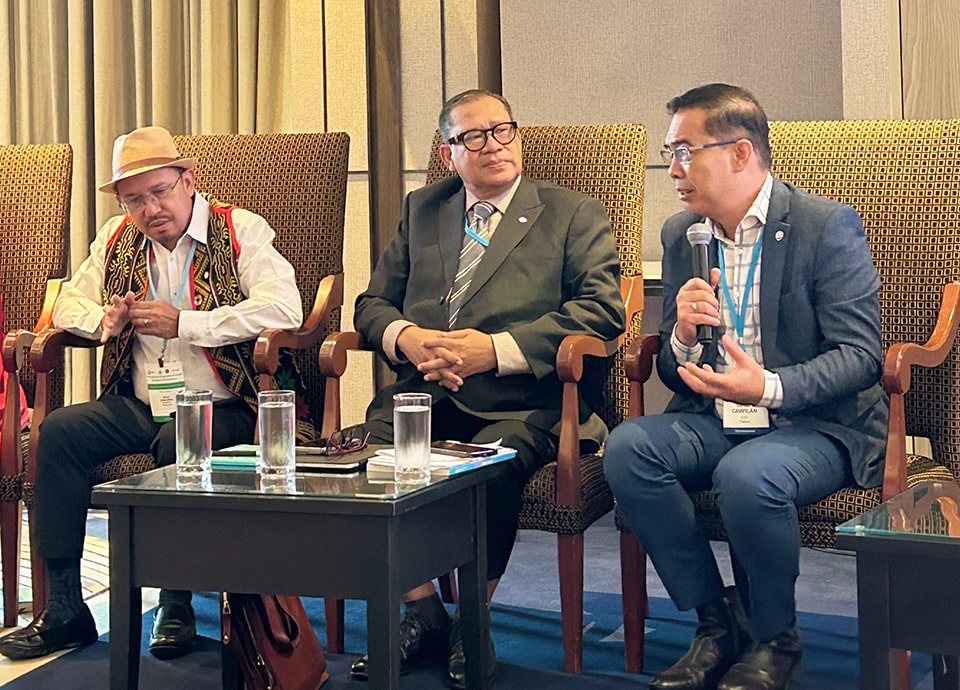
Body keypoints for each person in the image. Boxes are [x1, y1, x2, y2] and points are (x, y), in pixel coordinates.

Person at [602, 83, 888, 690]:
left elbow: (861, 357)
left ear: (739, 152)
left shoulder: (824, 225)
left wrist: (768, 386)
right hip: (715, 421)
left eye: (685, 150)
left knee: (747, 474)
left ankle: (774, 638)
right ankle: (715, 621)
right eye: (669, 151)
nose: (673, 168)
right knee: (628, 447)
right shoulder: (685, 234)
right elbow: (673, 373)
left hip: (814, 424)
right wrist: (679, 335)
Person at [348, 88, 625, 687]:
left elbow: (602, 314)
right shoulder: (424, 209)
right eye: (473, 137)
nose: (492, 145)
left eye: (503, 131)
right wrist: (405, 336)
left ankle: (473, 618)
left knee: (488, 471)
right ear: (451, 153)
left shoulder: (572, 213)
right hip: (423, 390)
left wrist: (491, 352)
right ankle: (420, 610)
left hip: (525, 402)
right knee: (364, 463)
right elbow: (370, 304)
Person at [0, 126, 302, 661]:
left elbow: (285, 310)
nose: (150, 208)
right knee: (59, 431)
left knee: (176, 444)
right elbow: (68, 304)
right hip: (141, 402)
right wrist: (103, 320)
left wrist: (188, 322)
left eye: (160, 191)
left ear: (188, 180)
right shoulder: (117, 237)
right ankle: (66, 607)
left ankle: (175, 599)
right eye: (134, 199)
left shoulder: (240, 229)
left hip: (227, 403)